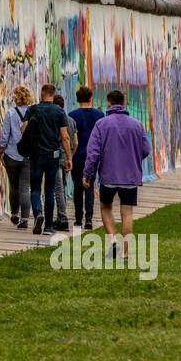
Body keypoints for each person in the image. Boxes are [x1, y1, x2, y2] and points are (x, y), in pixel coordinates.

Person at [83, 89, 151, 260]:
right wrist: (133, 158)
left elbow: (93, 153)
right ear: (124, 104)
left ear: (108, 104)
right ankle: (125, 253)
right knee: (127, 213)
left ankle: (113, 242)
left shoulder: (101, 124)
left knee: (106, 207)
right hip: (130, 177)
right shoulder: (137, 124)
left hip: (109, 175)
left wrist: (88, 173)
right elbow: (145, 150)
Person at [25, 83, 72, 235]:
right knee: (50, 191)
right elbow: (65, 137)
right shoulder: (59, 111)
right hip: (53, 156)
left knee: (36, 189)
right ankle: (49, 227)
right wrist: (69, 157)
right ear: (53, 94)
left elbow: (23, 129)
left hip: (36, 155)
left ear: (42, 93)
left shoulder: (33, 109)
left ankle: (38, 213)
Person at [68, 86, 105, 230]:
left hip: (77, 155)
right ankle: (89, 218)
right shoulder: (99, 115)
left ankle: (78, 219)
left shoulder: (72, 115)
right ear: (91, 98)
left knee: (77, 186)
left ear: (77, 99)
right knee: (90, 185)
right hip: (93, 156)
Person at [0, 86, 34, 225]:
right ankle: (25, 219)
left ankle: (14, 214)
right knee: (25, 187)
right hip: (27, 156)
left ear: (15, 97)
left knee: (13, 186)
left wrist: (1, 150)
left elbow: (5, 135)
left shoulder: (10, 113)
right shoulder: (32, 112)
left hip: (11, 154)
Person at [52, 93, 77, 232]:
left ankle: (63, 218)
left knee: (58, 189)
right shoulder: (71, 121)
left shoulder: (54, 120)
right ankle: (60, 217)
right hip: (67, 158)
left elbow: (65, 138)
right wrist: (70, 157)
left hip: (57, 157)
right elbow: (76, 142)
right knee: (63, 188)